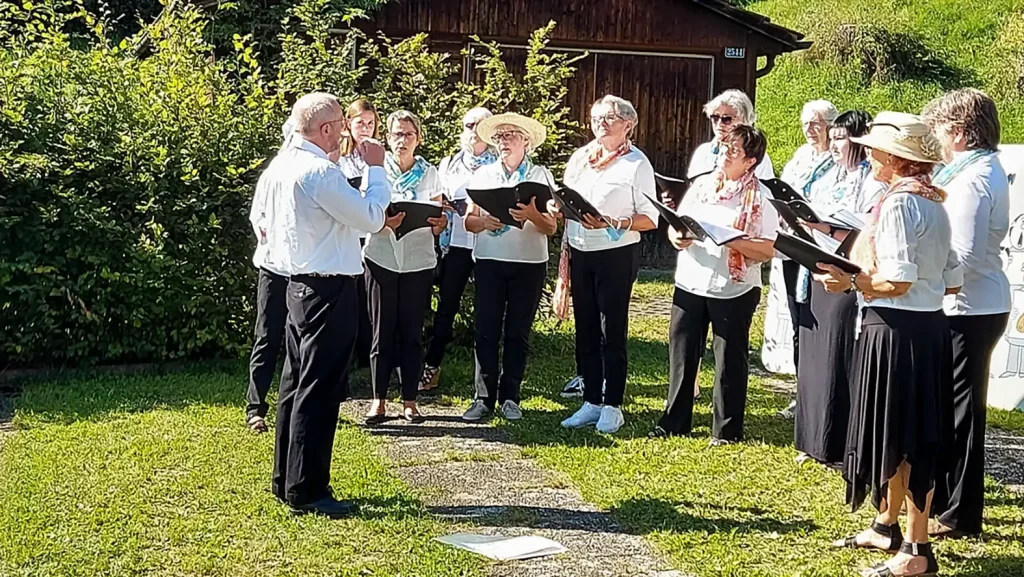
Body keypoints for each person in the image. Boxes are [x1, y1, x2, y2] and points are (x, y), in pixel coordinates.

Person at [817, 112, 962, 577]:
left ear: (896, 159)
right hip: (922, 329)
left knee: (908, 439)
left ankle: (917, 552)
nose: (869, 154)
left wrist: (850, 282)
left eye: (875, 149)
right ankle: (889, 527)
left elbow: (897, 280)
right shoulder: (932, 202)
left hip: (898, 331)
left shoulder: (900, 204)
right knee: (900, 436)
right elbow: (951, 280)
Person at [264, 92, 390, 518]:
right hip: (329, 288)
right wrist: (375, 169)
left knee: (295, 384)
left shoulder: (282, 164)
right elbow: (372, 217)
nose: (345, 133)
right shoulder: (319, 171)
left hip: (298, 283)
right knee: (318, 389)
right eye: (339, 124)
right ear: (326, 130)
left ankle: (286, 479)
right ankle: (308, 488)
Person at [648, 125, 779, 444]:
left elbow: (769, 248)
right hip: (691, 281)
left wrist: (734, 241)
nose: (724, 155)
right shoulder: (703, 185)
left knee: (729, 359)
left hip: (733, 288)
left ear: (750, 161)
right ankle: (674, 420)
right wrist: (676, 236)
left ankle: (726, 429)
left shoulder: (761, 196)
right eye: (722, 148)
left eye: (733, 151)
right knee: (682, 354)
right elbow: (677, 224)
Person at [924, 89, 1011, 539]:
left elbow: (967, 254)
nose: (935, 139)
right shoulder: (970, 171)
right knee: (952, 405)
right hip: (968, 302)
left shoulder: (975, 179)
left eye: (939, 130)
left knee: (963, 411)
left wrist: (924, 268)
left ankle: (959, 513)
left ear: (958, 133)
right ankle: (944, 499)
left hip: (970, 305)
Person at [558, 95, 659, 434]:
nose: (601, 122)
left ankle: (613, 404)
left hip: (615, 253)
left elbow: (650, 218)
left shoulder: (636, 163)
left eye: (610, 117)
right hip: (581, 249)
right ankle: (590, 401)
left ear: (628, 124)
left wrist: (615, 221)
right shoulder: (580, 158)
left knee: (610, 330)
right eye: (597, 116)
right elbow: (565, 195)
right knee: (585, 327)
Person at [792, 110, 884, 465]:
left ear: (860, 141)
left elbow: (866, 233)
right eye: (832, 138)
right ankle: (814, 441)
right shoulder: (827, 173)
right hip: (816, 266)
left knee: (838, 356)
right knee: (815, 357)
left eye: (842, 138)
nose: (834, 145)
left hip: (848, 275)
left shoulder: (871, 181)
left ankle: (839, 444)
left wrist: (826, 228)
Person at [461, 112, 558, 421]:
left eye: (510, 136)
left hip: (528, 263)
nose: (503, 142)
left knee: (517, 331)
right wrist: (484, 221)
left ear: (525, 142)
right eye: (499, 137)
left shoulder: (541, 176)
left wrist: (532, 215)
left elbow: (551, 228)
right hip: (490, 261)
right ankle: (483, 398)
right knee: (486, 330)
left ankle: (511, 397)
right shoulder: (483, 175)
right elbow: (468, 221)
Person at [364, 110, 445, 424]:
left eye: (408, 134)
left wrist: (439, 224)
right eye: (396, 134)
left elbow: (438, 219)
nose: (402, 140)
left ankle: (410, 401)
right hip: (381, 256)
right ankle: (378, 400)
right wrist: (383, 221)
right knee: (381, 332)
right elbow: (362, 213)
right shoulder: (375, 171)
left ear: (419, 138)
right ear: (387, 137)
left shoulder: (431, 173)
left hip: (418, 259)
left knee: (412, 332)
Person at [766, 100, 838, 419]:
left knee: (821, 321)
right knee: (800, 322)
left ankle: (825, 395)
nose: (810, 129)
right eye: (806, 123)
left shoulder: (839, 160)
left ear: (831, 126)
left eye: (817, 123)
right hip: (794, 246)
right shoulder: (799, 156)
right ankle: (802, 392)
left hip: (822, 249)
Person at [419, 108, 497, 392]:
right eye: (469, 124)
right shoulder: (449, 163)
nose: (474, 129)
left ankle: (488, 379)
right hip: (457, 246)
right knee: (446, 308)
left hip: (491, 245)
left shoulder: (501, 162)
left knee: (488, 311)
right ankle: (431, 367)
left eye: (481, 124)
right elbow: (436, 200)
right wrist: (447, 207)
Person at [244, 118, 298, 434]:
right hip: (273, 268)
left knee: (297, 340)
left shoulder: (313, 172)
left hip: (303, 270)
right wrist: (264, 227)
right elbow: (257, 214)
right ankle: (256, 407)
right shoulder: (273, 172)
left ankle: (292, 405)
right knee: (267, 336)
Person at [337, 98, 382, 369]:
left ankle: (369, 361)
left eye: (371, 123)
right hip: (347, 237)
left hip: (373, 235)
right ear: (348, 124)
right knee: (346, 303)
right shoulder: (339, 157)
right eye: (360, 122)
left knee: (369, 304)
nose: (366, 128)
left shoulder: (378, 155)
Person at [687, 89, 775, 181]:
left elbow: (765, 192)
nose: (720, 124)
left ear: (745, 121)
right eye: (715, 118)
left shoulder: (758, 158)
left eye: (727, 119)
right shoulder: (702, 152)